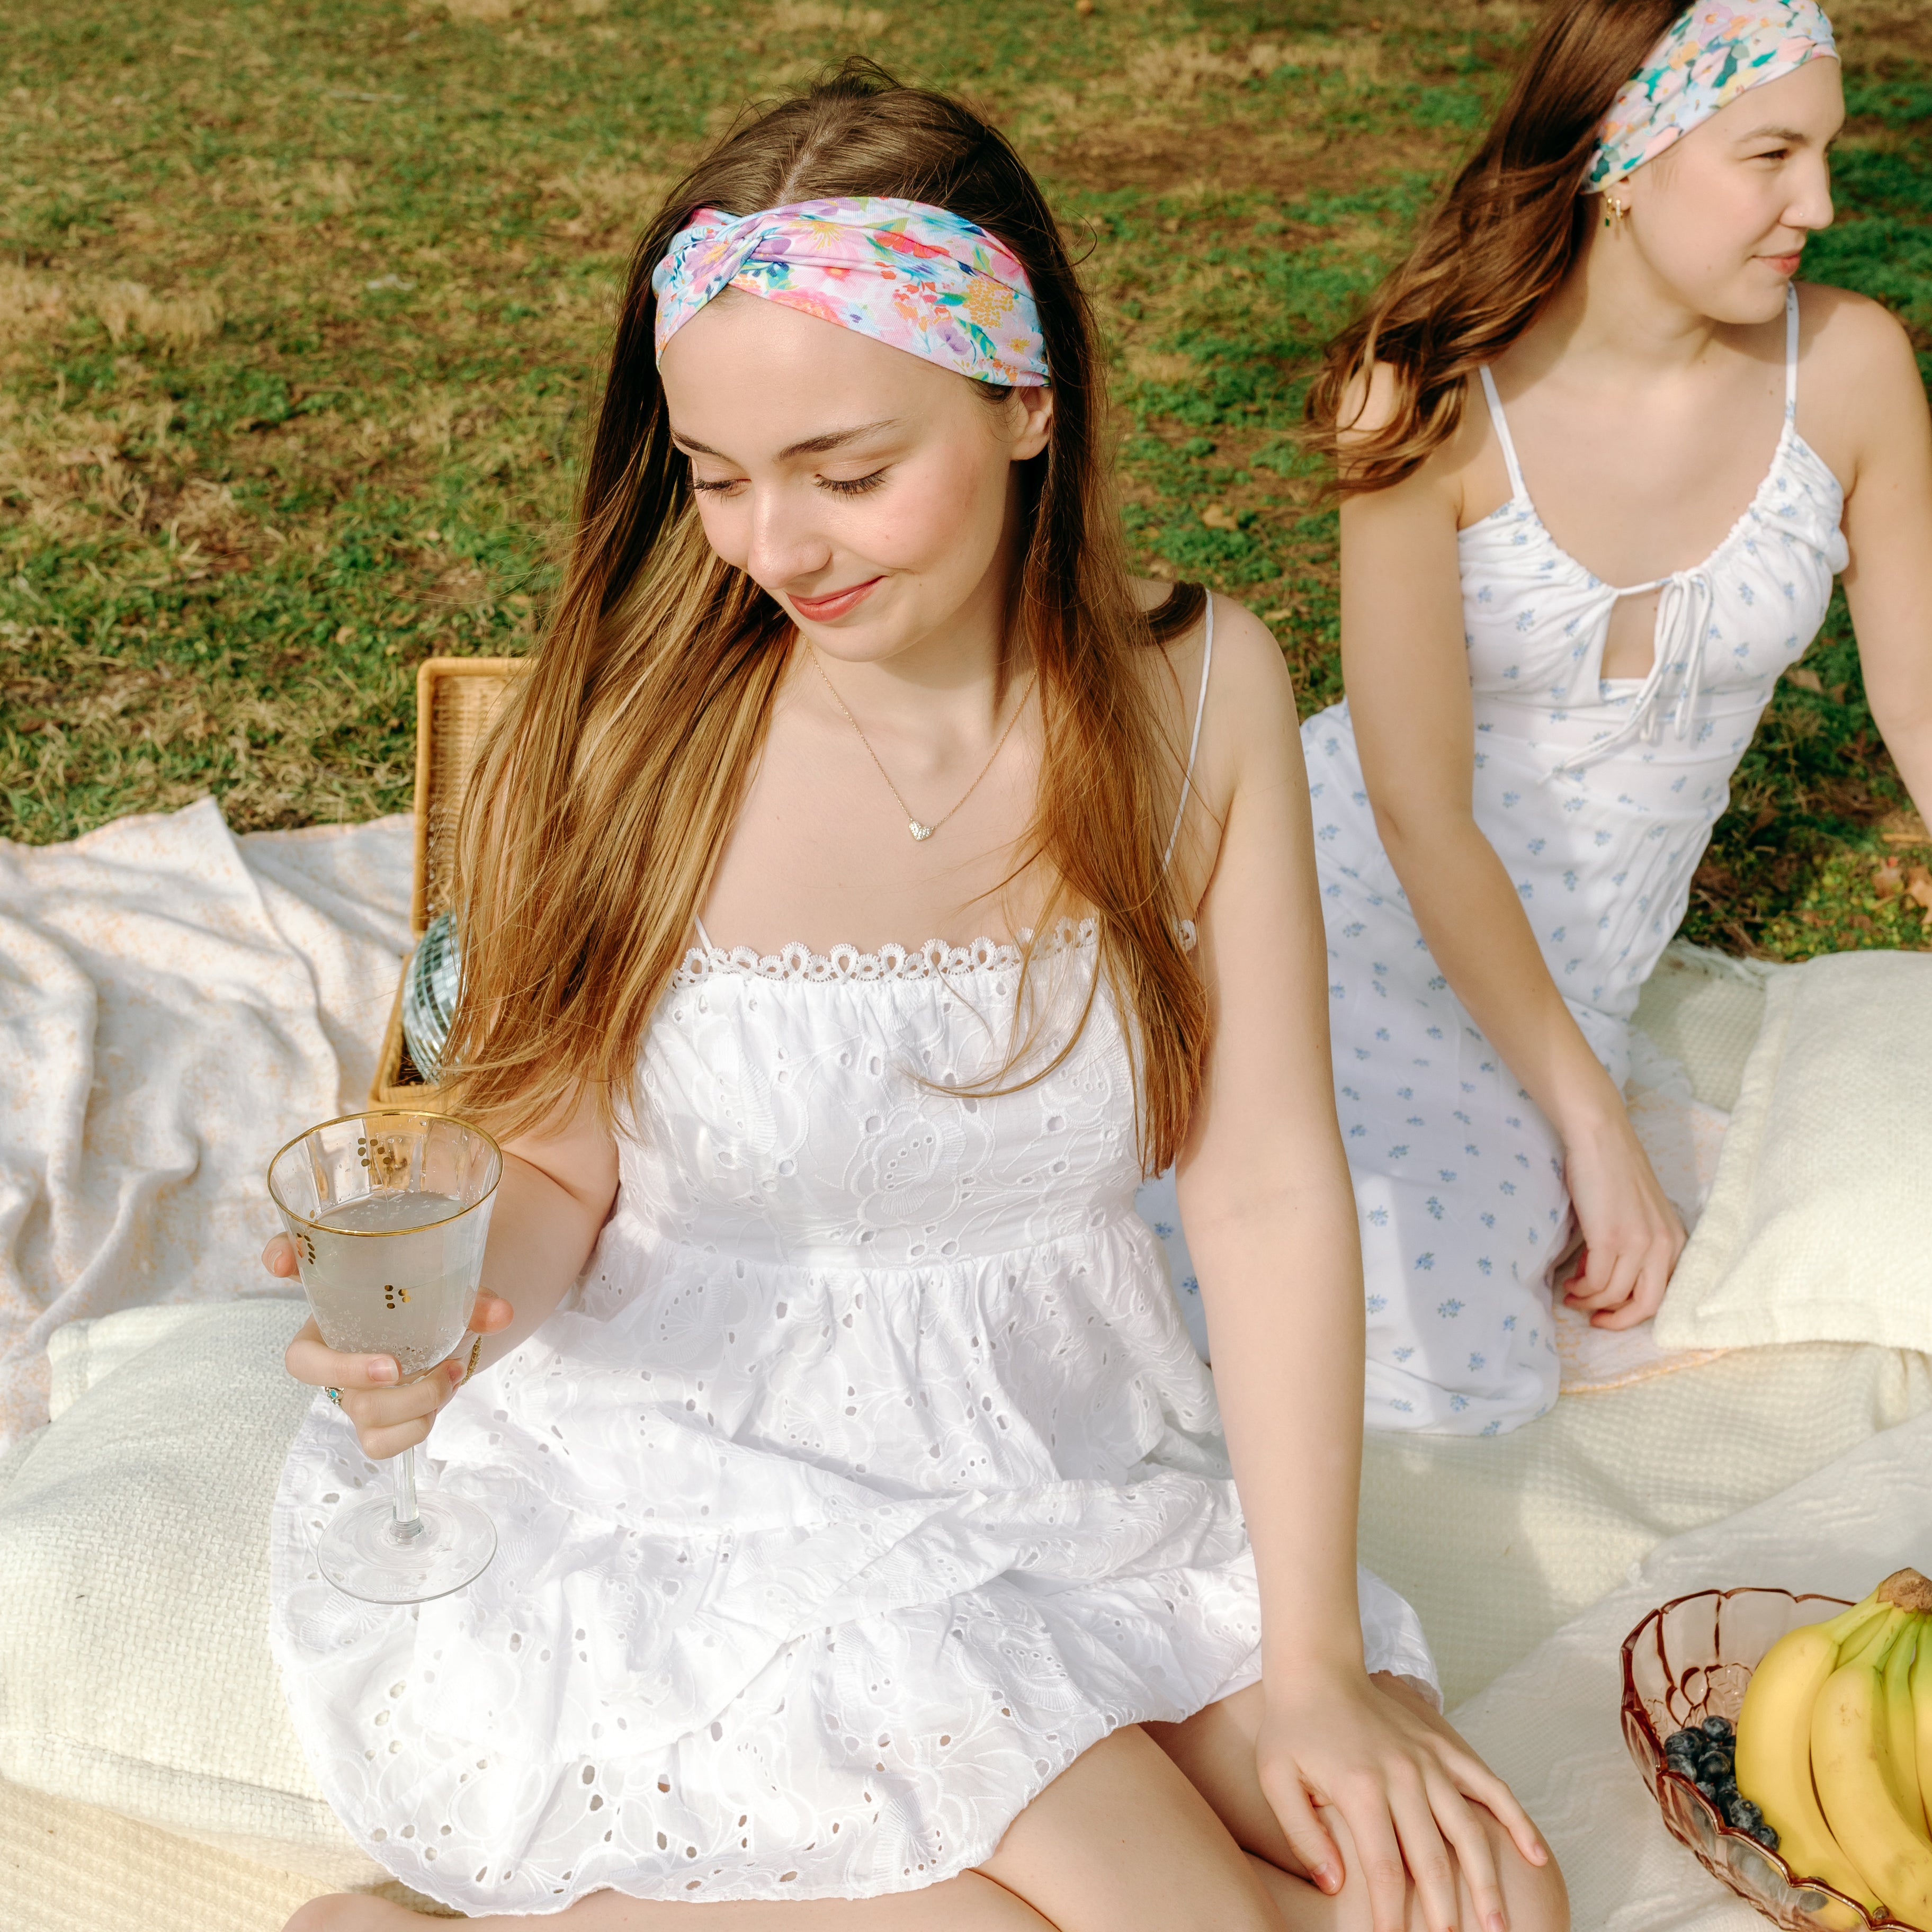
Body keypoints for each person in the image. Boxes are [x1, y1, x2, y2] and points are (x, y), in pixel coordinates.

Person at [263, 67, 1564, 1932]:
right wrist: (460, 1318)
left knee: (1468, 1903)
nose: (775, 548)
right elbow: (546, 1170)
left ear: (1028, 401)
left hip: (1052, 1472)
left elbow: (1267, 1180)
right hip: (700, 1487)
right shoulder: (630, 737)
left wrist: (1310, 1671)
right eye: (718, 478)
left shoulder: (1200, 700)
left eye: (847, 473)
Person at [1155, 0, 1932, 1436]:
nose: (1819, 204)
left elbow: (1924, 704)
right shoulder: (1427, 397)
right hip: (1344, 906)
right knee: (1240, 1273)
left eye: (1827, 153)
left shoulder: (1853, 371)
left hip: (1577, 962)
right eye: (1772, 153)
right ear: (1625, 154)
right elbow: (1414, 805)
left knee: (1441, 1352)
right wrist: (1590, 1118)